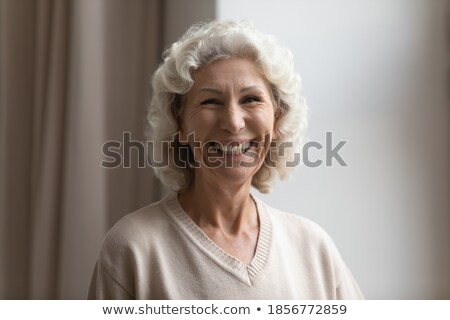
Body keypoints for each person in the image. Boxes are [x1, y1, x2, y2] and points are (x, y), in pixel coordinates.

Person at [88, 20, 363, 299]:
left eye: (251, 99)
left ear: (277, 118)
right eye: (210, 102)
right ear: (179, 124)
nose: (233, 122)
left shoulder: (313, 248)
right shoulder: (132, 248)